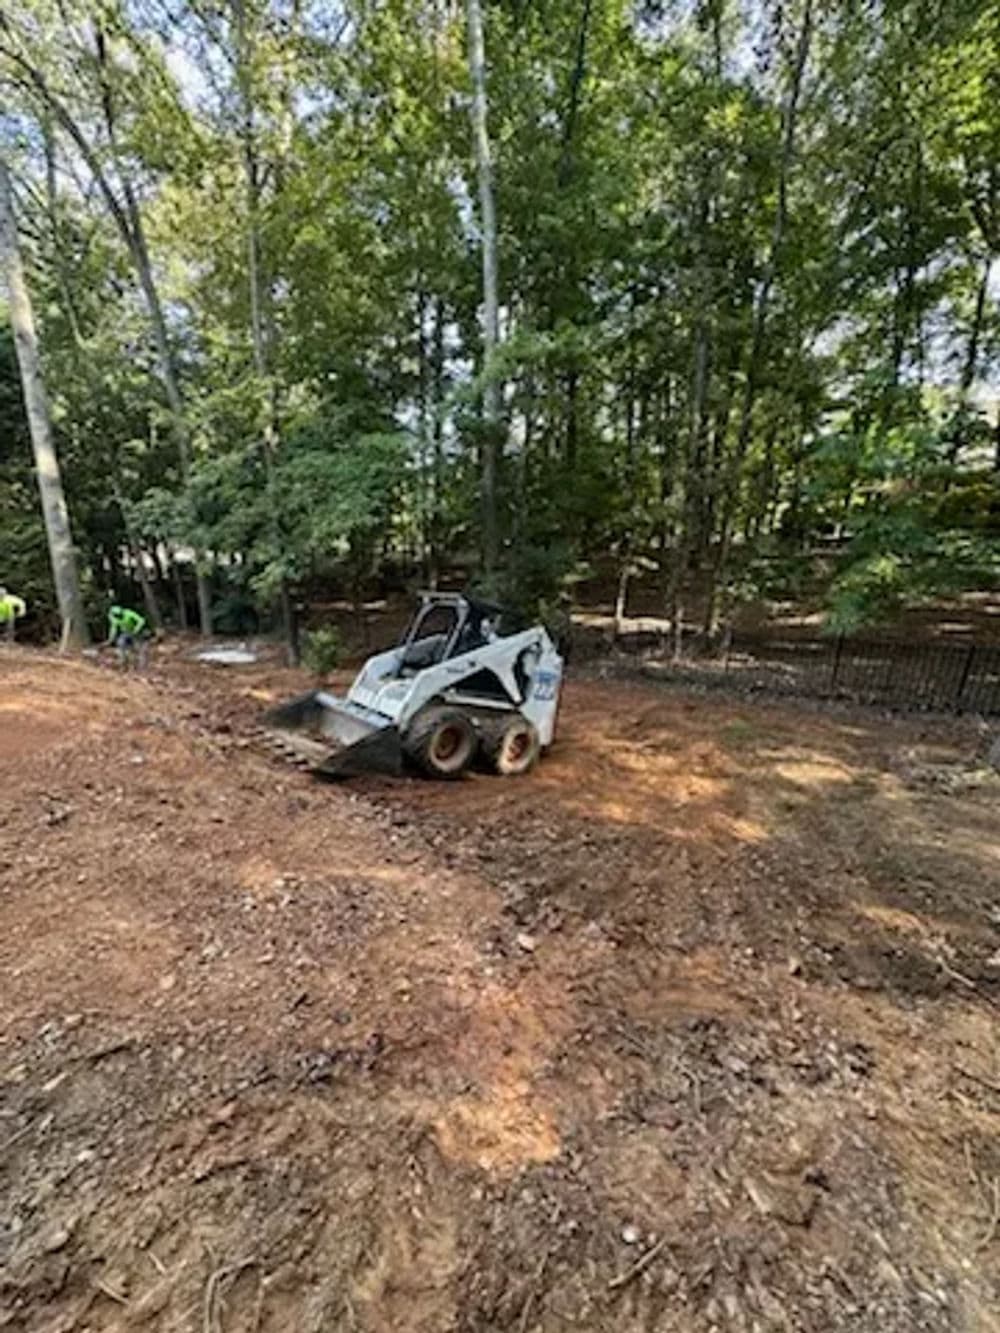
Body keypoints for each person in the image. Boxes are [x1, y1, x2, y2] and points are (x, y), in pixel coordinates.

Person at [107, 604, 150, 669]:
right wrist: (111, 638)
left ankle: (142, 666)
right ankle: (123, 663)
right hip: (126, 633)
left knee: (139, 649)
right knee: (120, 644)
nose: (119, 617)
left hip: (137, 632)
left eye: (120, 615)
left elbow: (141, 620)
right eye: (117, 616)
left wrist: (136, 629)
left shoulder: (128, 613)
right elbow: (113, 628)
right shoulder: (113, 618)